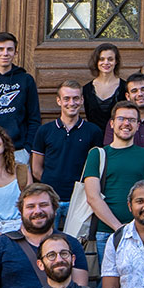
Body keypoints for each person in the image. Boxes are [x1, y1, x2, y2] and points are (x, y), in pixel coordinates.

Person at [83, 102, 144, 248]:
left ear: (138, 125)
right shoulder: (98, 154)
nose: (126, 123)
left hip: (141, 233)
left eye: (132, 120)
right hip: (105, 233)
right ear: (112, 123)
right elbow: (92, 197)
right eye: (121, 119)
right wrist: (119, 228)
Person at [32, 81, 103, 215]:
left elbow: (97, 168)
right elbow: (36, 169)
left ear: (82, 100)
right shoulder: (44, 130)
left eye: (76, 98)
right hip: (50, 200)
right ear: (59, 101)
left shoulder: (93, 131)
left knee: (74, 237)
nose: (71, 103)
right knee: (48, 236)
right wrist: (51, 185)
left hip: (80, 200)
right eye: (66, 99)